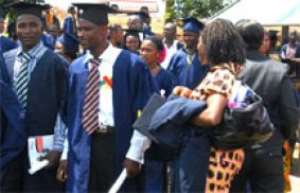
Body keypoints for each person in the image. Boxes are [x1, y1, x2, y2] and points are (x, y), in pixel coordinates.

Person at [65, 3, 154, 193]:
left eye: (87, 29)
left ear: (105, 30)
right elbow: (70, 116)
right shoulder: (76, 68)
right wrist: (66, 153)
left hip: (117, 144)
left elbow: (148, 112)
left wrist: (136, 153)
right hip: (83, 145)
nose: (81, 34)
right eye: (79, 29)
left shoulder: (131, 64)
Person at [3, 2, 68, 192]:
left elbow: (63, 109)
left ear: (43, 28)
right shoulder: (5, 60)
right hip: (10, 145)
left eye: (33, 25)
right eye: (22, 26)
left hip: (43, 147)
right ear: (15, 29)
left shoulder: (57, 63)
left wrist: (58, 147)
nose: (28, 31)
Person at [230, 20, 300, 193]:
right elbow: (290, 114)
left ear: (237, 40)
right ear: (263, 39)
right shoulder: (278, 70)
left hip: (233, 149)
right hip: (269, 147)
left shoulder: (228, 70)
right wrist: (283, 138)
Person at [167, 17, 209, 89]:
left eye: (190, 35)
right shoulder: (177, 55)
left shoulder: (203, 56)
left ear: (198, 36)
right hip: (177, 96)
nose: (186, 38)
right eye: (185, 35)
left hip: (196, 97)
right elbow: (169, 77)